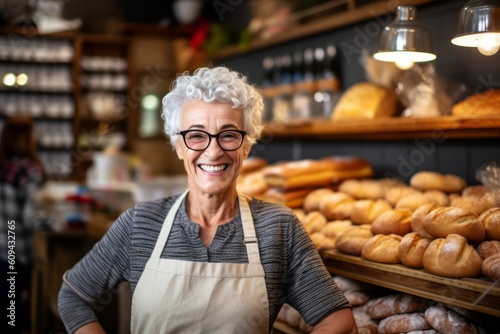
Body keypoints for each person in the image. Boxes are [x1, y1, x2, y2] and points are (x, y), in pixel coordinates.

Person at [57, 66, 358, 333]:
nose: (213, 152)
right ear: (178, 145)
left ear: (246, 146)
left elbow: (339, 321)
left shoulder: (278, 228)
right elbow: (73, 296)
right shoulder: (141, 224)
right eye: (197, 136)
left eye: (228, 135)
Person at [1, 116, 48, 333]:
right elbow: (30, 218)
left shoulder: (4, 166)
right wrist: (57, 221)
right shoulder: (28, 171)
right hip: (16, 251)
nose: (36, 140)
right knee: (18, 313)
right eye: (33, 135)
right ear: (23, 139)